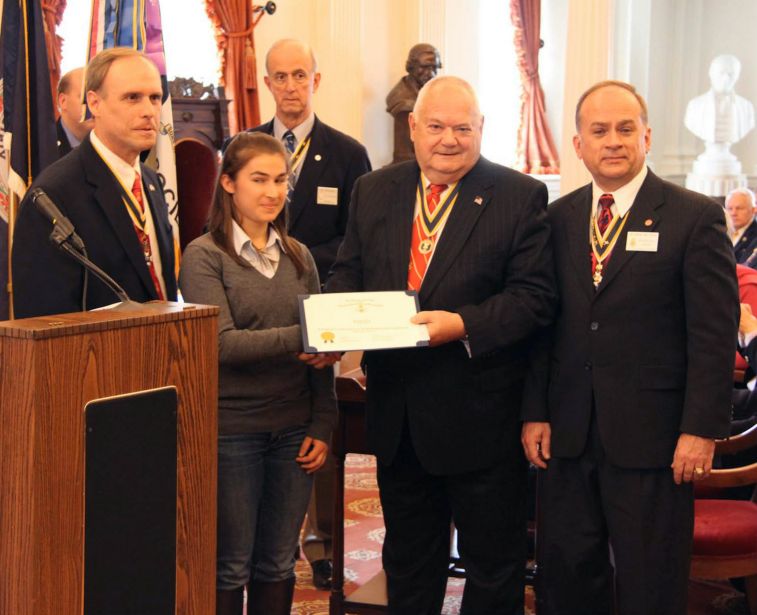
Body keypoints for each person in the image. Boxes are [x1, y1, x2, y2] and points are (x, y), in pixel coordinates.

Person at [327, 75, 556, 614]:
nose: (448, 139)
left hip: (482, 419)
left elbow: (534, 299)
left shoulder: (519, 195)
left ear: (481, 129)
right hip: (398, 417)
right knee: (408, 561)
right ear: (413, 127)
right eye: (436, 126)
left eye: (462, 127)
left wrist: (462, 324)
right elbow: (348, 274)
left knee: (492, 567)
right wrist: (328, 327)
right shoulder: (375, 189)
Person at [521, 80, 738, 615]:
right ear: (578, 144)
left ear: (647, 136)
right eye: (599, 130)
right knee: (568, 577)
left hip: (657, 441)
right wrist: (536, 412)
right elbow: (543, 326)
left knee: (649, 584)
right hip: (569, 436)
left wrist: (700, 429)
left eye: (624, 129)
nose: (612, 141)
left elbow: (712, 334)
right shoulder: (557, 219)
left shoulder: (694, 217)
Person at [179, 132, 337, 615]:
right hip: (233, 432)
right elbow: (222, 345)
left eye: (281, 180)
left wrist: (322, 423)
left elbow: (323, 357)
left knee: (278, 563)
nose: (272, 192)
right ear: (228, 183)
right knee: (231, 564)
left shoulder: (299, 255)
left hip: (295, 429)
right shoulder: (204, 255)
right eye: (258, 179)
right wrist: (306, 335)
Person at [234, 38, 371, 589]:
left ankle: (321, 542)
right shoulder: (243, 149)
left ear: (317, 81)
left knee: (315, 419)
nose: (291, 86)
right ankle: (267, 542)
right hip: (250, 310)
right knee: (261, 423)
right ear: (267, 83)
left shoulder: (347, 152)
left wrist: (296, 265)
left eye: (300, 75)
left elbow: (355, 240)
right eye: (280, 77)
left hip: (320, 306)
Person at [12, 48, 177, 319]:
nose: (149, 111)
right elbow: (43, 319)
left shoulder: (149, 180)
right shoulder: (52, 194)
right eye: (132, 98)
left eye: (155, 98)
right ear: (95, 103)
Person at [385, 43, 442, 163]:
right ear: (411, 67)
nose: (431, 73)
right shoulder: (402, 100)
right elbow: (404, 154)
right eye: (425, 67)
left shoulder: (432, 92)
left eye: (434, 67)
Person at [685, 54, 755, 146]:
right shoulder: (695, 106)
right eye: (721, 73)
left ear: (737, 76)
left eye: (731, 74)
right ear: (711, 73)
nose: (726, 79)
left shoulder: (747, 107)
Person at [56, 67, 94, 157]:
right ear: (63, 101)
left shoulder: (111, 145)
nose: (94, 105)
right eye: (85, 97)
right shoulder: (44, 148)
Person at [725, 187, 757, 265]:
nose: (733, 213)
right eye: (730, 208)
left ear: (753, 210)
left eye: (739, 208)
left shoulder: (755, 235)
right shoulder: (721, 231)